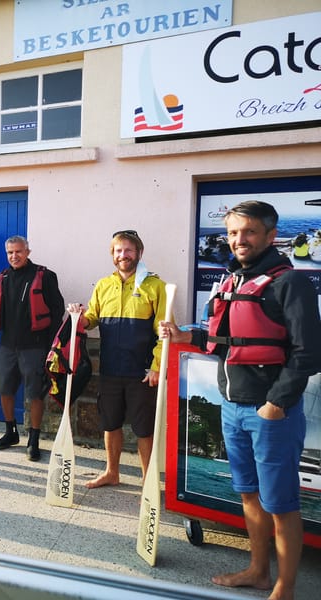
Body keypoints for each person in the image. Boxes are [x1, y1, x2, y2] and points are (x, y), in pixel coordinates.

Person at [161, 201, 321, 600]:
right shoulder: (232, 280)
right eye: (233, 232)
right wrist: (184, 336)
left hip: (270, 412)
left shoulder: (290, 283)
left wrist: (276, 404)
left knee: (281, 503)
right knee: (248, 492)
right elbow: (224, 343)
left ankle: (284, 587)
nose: (238, 240)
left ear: (271, 235)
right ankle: (257, 570)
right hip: (231, 404)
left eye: (248, 232)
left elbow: (309, 353)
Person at [68, 230, 166, 488]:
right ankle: (112, 472)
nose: (123, 255)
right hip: (111, 369)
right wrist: (79, 317)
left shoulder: (155, 286)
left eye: (128, 250)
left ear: (139, 253)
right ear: (112, 255)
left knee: (144, 428)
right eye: (118, 251)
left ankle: (148, 480)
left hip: (142, 372)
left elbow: (164, 331)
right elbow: (92, 320)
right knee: (110, 423)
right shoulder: (103, 285)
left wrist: (157, 367)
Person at [0, 235, 64, 461]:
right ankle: (10, 433)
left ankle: (33, 440)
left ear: (27, 252)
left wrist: (49, 345)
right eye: (10, 253)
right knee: (5, 390)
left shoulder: (44, 276)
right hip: (8, 345)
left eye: (18, 252)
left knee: (34, 393)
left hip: (35, 346)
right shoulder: (2, 278)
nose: (14, 256)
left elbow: (57, 310)